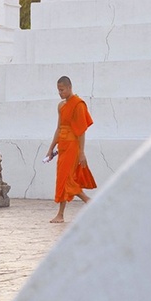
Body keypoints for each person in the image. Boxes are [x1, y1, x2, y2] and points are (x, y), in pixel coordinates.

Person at [46, 76, 94, 222]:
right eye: (58, 90)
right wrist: (51, 148)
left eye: (62, 90)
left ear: (69, 87)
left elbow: (81, 131)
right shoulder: (61, 106)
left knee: (67, 180)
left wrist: (81, 152)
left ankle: (88, 201)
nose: (60, 93)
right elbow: (59, 128)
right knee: (62, 179)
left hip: (73, 146)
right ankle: (60, 214)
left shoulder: (78, 104)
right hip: (63, 146)